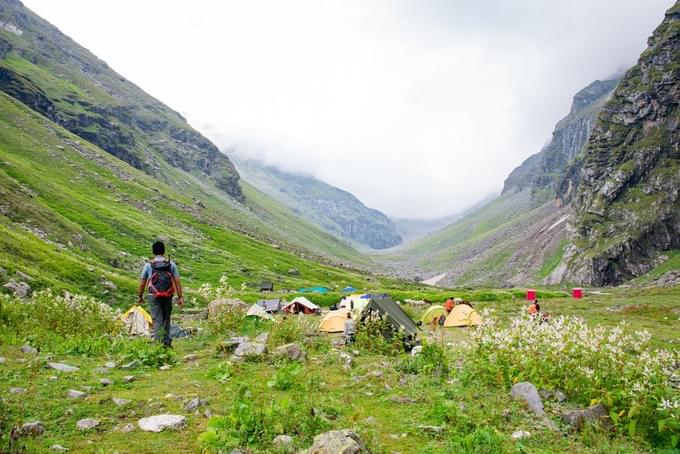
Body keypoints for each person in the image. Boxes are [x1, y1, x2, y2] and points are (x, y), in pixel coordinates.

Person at [137, 241, 184, 347]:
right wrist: (180, 297)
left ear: (153, 252)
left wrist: (140, 296)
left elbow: (142, 283)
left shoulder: (148, 265)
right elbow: (177, 281)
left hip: (153, 295)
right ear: (163, 251)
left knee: (157, 319)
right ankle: (166, 343)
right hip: (168, 295)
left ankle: (158, 345)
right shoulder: (171, 264)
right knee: (166, 317)